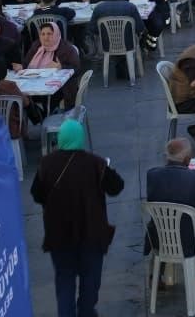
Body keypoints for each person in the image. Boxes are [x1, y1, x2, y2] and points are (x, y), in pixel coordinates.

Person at [32, 119, 125, 317]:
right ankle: (86, 312)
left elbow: (37, 194)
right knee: (90, 282)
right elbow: (116, 187)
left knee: (64, 281)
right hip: (91, 234)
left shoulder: (46, 164)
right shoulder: (95, 163)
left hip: (59, 236)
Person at [145, 139, 195, 288]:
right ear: (188, 159)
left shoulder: (152, 175)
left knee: (160, 221)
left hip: (161, 237)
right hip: (190, 240)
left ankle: (154, 276)